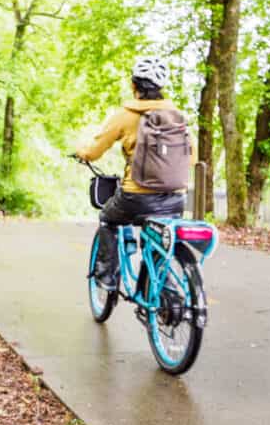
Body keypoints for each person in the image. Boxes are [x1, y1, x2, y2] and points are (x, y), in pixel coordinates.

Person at [75, 57, 196, 290]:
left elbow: (95, 151)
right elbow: (192, 157)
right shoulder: (178, 117)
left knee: (107, 219)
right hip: (175, 198)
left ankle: (106, 276)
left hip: (136, 197)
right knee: (159, 237)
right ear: (161, 87)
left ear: (134, 86)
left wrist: (83, 153)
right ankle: (164, 285)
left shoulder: (126, 114)